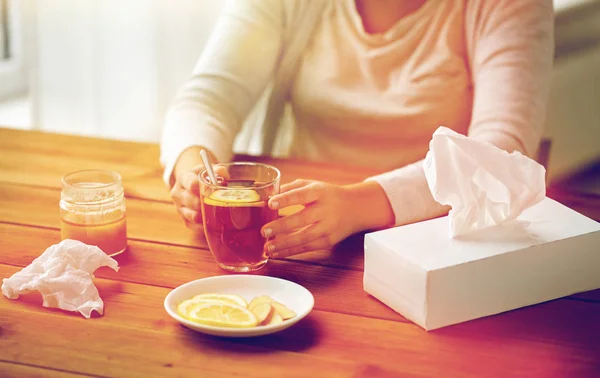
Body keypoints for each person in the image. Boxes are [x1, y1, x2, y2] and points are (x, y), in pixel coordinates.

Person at [161, 0, 554, 258]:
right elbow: (212, 94)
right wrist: (194, 166)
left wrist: (359, 204)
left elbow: (500, 152)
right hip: (298, 241)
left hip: (432, 245)